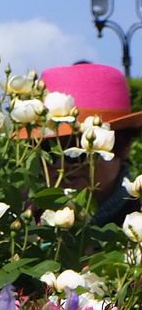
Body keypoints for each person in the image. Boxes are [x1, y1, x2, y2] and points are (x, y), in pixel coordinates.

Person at [38, 62, 142, 225]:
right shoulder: (23, 224)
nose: (61, 165)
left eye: (77, 152)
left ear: (124, 147)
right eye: (48, 151)